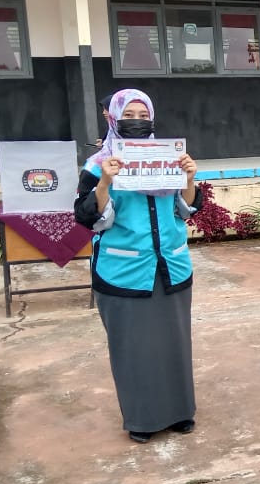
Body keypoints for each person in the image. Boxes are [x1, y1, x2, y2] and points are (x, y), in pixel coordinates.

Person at [73, 88, 200, 444]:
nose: (137, 122)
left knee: (174, 343)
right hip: (124, 272)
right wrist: (105, 183)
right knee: (134, 349)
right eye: (128, 116)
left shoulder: (169, 157)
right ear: (113, 118)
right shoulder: (98, 164)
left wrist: (189, 178)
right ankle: (142, 418)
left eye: (143, 116)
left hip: (171, 266)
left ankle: (180, 412)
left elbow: (186, 208)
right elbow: (86, 217)